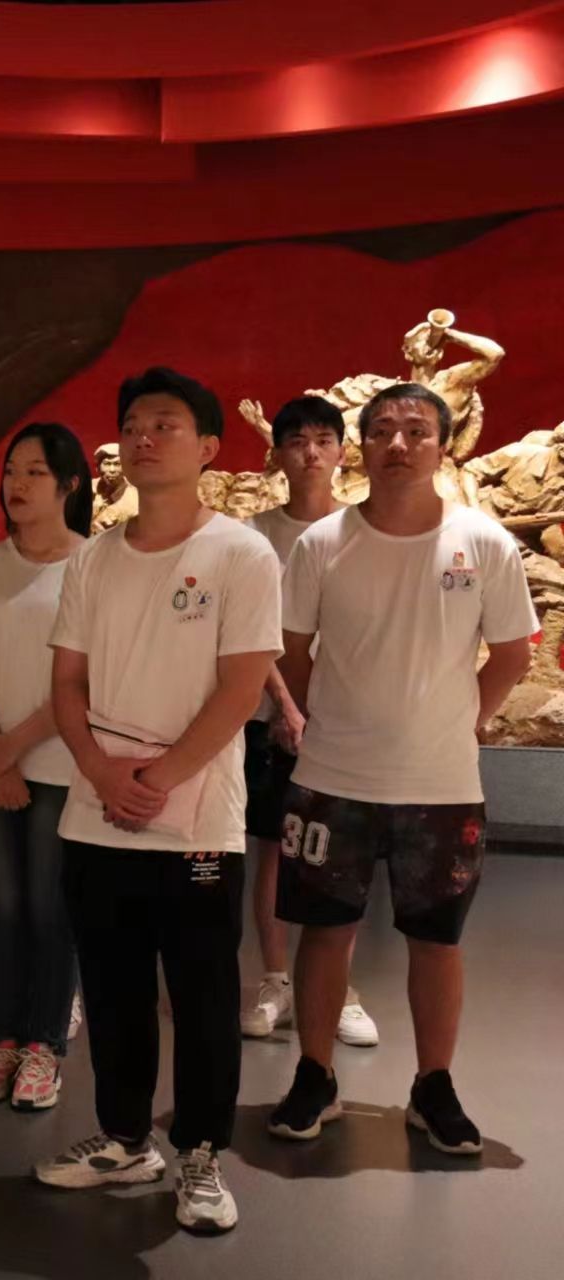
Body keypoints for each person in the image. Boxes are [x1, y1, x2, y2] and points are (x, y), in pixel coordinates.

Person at [31, 369, 281, 1237]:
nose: (143, 437)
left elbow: (242, 686)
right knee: (113, 988)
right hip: (98, 810)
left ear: (208, 447)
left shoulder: (242, 553)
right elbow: (67, 682)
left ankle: (202, 1151)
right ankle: (125, 1136)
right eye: (133, 423)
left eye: (165, 424)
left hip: (198, 819)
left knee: (204, 994)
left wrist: (160, 776)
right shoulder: (94, 557)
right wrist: (100, 773)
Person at [268, 382, 534, 1155]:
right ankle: (315, 1074)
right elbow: (291, 651)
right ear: (361, 446)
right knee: (325, 933)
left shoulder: (483, 541)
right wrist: (324, 722)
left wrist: (464, 722)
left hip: (442, 784)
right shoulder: (323, 544)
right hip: (333, 778)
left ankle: (433, 1085)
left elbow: (512, 654)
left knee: (437, 939)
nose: (398, 443)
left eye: (417, 430)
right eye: (382, 429)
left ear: (442, 446)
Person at [0, 423, 89, 1110]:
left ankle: (44, 1046)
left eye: (35, 472)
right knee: (3, 905)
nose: (18, 484)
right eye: (12, 471)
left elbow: (86, 679)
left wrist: (17, 746)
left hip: (61, 762)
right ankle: (2, 1039)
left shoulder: (93, 564)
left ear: (68, 484)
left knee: (50, 904)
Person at [238, 397, 376, 1046]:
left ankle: (339, 987)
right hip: (271, 719)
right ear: (278, 453)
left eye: (323, 439)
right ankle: (276, 980)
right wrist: (288, 706)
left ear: (343, 451)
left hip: (345, 722)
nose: (311, 452)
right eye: (297, 440)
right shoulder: (255, 535)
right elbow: (253, 631)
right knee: (271, 849)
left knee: (339, 855)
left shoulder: (364, 531)